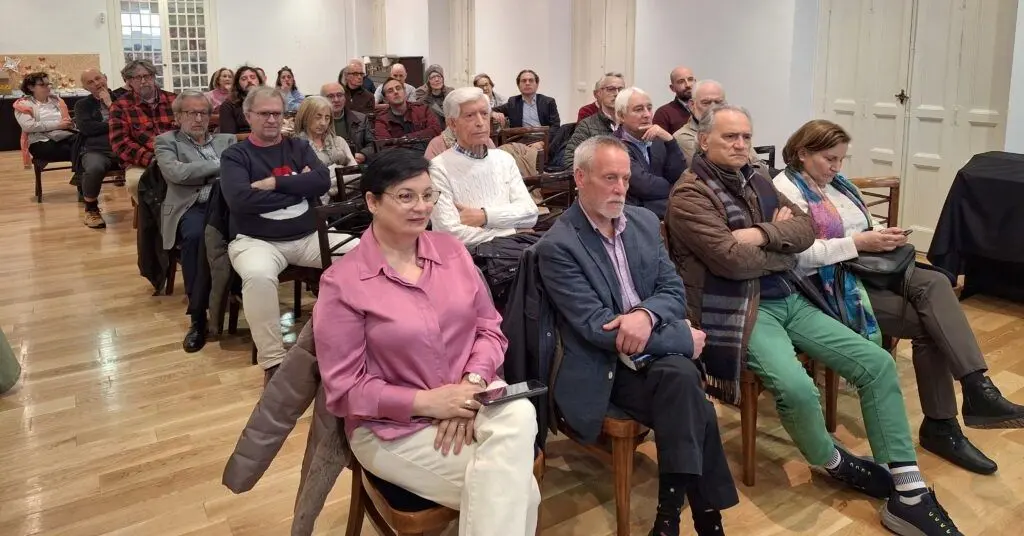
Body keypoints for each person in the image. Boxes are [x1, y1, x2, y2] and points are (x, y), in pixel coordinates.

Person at [665, 104, 963, 536]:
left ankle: (908, 489)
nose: (741, 145)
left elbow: (805, 229)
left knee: (876, 364)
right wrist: (775, 240)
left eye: (746, 137)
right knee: (796, 388)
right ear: (704, 140)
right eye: (730, 137)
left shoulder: (757, 177)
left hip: (789, 294)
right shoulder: (689, 195)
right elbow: (729, 262)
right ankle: (834, 461)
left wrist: (762, 234)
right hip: (737, 309)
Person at [773, 119, 1024, 475]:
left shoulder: (837, 184)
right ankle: (945, 423)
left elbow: (859, 222)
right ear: (802, 153)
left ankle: (976, 388)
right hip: (827, 286)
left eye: (841, 159)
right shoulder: (785, 190)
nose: (837, 167)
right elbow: (796, 256)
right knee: (932, 324)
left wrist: (882, 233)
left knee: (936, 282)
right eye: (830, 159)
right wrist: (858, 244)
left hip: (867, 270)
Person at [313, 149, 541, 536]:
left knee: (520, 413)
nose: (421, 207)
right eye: (405, 196)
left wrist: (468, 387)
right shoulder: (344, 282)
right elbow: (344, 388)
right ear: (372, 201)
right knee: (521, 491)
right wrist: (429, 403)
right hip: (394, 427)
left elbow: (489, 328)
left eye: (428, 195)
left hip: (472, 397)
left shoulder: (452, 251)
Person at [536, 135, 738, 536]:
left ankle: (670, 519)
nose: (621, 189)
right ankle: (704, 518)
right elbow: (598, 329)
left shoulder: (644, 223)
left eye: (626, 179)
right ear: (579, 177)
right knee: (684, 383)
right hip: (607, 369)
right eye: (610, 178)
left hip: (655, 355)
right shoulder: (557, 246)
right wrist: (681, 340)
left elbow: (673, 291)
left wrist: (645, 315)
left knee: (679, 382)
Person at [220, 87, 357, 379]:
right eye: (264, 113)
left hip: (308, 236)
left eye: (277, 113)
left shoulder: (298, 147)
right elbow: (240, 200)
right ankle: (273, 362)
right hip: (257, 241)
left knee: (363, 252)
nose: (272, 119)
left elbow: (321, 181)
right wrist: (297, 189)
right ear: (248, 116)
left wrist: (274, 184)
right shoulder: (235, 155)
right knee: (258, 277)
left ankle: (354, 338)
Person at [154, 90, 236, 353]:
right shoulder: (167, 142)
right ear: (178, 116)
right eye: (192, 113)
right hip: (192, 207)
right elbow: (177, 173)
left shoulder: (227, 140)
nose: (199, 118)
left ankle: (240, 291)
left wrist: (207, 170)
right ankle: (198, 317)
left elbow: (240, 171)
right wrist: (222, 166)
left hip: (228, 206)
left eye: (204, 112)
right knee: (198, 238)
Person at [429, 87, 538, 248]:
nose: (480, 123)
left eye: (484, 114)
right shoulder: (438, 168)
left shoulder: (504, 160)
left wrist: (484, 216)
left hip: (514, 255)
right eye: (470, 116)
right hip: (470, 260)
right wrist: (513, 230)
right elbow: (447, 232)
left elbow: (530, 214)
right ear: (452, 123)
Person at [109, 59, 176, 202]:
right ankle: (153, 220)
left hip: (176, 156)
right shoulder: (120, 106)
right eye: (137, 77)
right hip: (142, 161)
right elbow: (120, 143)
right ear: (128, 81)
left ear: (153, 77)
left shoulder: (174, 100)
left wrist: (175, 156)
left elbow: (186, 132)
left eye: (148, 75)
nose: (144, 80)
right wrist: (151, 159)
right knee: (137, 183)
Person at [611, 87, 683, 219]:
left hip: (661, 210)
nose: (647, 115)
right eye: (638, 110)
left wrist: (670, 141)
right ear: (621, 116)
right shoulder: (614, 146)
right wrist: (677, 188)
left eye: (649, 108)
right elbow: (645, 186)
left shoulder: (659, 140)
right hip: (632, 217)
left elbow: (680, 175)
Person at [74, 69, 126, 229]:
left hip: (125, 146)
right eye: (90, 82)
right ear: (85, 88)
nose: (96, 83)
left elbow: (131, 122)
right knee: (94, 167)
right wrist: (115, 123)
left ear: (106, 77)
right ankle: (91, 209)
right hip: (97, 149)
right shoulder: (82, 105)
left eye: (98, 78)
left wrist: (110, 104)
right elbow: (87, 128)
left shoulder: (123, 99)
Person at [294, 95, 356, 201]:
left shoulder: (339, 142)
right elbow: (301, 185)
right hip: (313, 207)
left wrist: (324, 185)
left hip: (346, 203)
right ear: (305, 117)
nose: (323, 123)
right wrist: (338, 171)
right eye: (318, 117)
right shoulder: (295, 146)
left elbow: (356, 175)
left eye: (327, 118)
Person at [563, 72, 624, 169]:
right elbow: (571, 159)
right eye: (611, 89)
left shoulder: (631, 122)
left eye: (621, 89)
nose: (616, 94)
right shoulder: (587, 125)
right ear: (599, 93)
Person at [14, 72, 75, 164]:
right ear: (31, 87)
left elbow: (67, 121)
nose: (48, 87)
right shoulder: (23, 104)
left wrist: (71, 124)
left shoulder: (58, 101)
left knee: (87, 144)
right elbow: (29, 126)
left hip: (64, 136)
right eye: (42, 85)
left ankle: (82, 176)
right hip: (40, 141)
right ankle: (82, 176)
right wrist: (58, 125)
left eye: (48, 84)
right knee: (80, 150)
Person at [374, 77, 442, 150]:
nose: (396, 92)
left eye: (398, 88)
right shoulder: (381, 120)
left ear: (405, 92)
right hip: (400, 158)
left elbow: (436, 130)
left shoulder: (423, 109)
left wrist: (406, 138)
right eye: (390, 91)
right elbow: (385, 146)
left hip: (427, 154)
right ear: (385, 99)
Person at [320, 82, 374, 163]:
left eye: (339, 95)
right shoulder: (317, 123)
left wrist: (363, 155)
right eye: (330, 96)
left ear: (345, 98)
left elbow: (372, 144)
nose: (336, 100)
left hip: (356, 165)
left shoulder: (361, 119)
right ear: (322, 99)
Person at [493, 70, 560, 129]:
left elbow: (555, 126)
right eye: (524, 81)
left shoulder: (548, 102)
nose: (527, 83)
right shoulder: (513, 102)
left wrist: (542, 143)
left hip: (544, 139)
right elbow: (489, 110)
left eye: (531, 80)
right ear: (518, 85)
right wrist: (493, 113)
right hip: (521, 140)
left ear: (537, 84)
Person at [219, 66, 263, 135]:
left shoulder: (268, 102)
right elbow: (228, 138)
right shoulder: (228, 106)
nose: (249, 80)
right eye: (244, 79)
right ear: (238, 85)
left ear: (259, 82)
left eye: (253, 77)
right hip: (242, 144)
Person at [653, 66, 695, 134]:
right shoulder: (663, 113)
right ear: (672, 88)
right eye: (681, 81)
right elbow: (659, 143)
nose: (688, 85)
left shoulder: (706, 108)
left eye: (690, 79)